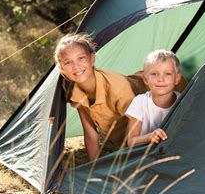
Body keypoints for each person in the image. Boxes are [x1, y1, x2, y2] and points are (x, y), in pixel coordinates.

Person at [54, 33, 147, 161]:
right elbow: (91, 134)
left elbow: (143, 126)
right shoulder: (75, 93)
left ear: (92, 58)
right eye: (68, 62)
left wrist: (130, 161)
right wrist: (94, 167)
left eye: (81, 58)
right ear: (61, 69)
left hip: (154, 111)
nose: (76, 66)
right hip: (125, 141)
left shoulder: (118, 88)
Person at [125, 50, 183, 147]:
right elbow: (131, 141)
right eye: (154, 74)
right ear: (145, 79)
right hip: (144, 153)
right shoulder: (140, 102)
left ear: (177, 78)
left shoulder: (182, 101)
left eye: (168, 74)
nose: (161, 79)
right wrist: (149, 137)